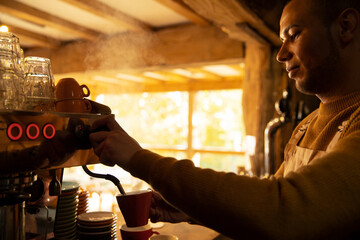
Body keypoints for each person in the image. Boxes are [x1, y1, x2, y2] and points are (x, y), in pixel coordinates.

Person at [89, 0, 360, 239]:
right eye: (281, 40)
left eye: (294, 35)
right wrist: (189, 209)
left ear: (345, 26)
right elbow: (266, 199)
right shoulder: (306, 126)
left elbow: (285, 211)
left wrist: (139, 159)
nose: (281, 54)